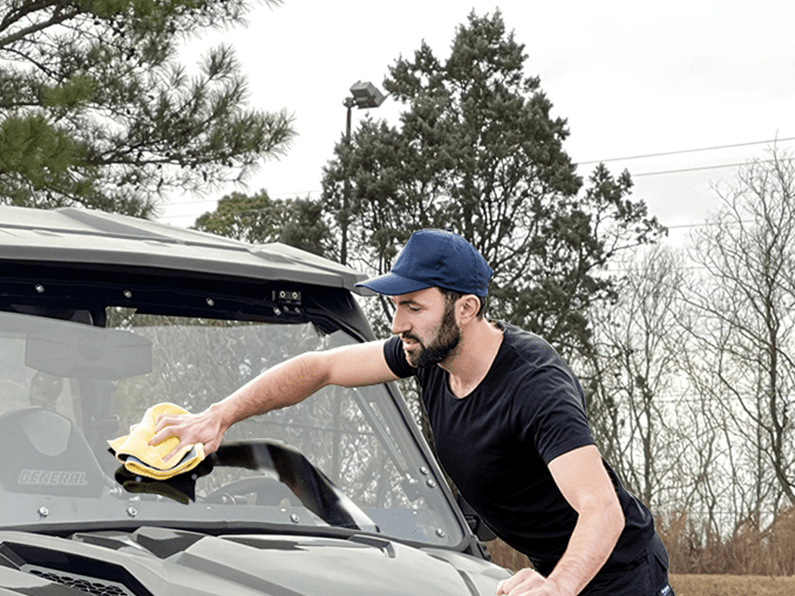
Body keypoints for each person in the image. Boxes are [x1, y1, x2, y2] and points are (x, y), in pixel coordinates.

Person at [151, 228, 674, 596]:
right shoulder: (426, 352)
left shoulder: (535, 387)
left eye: (413, 307)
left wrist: (561, 584)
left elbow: (601, 510)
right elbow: (320, 368)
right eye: (396, 305)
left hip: (617, 574)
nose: (398, 322)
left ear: (466, 308)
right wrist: (221, 415)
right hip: (552, 570)